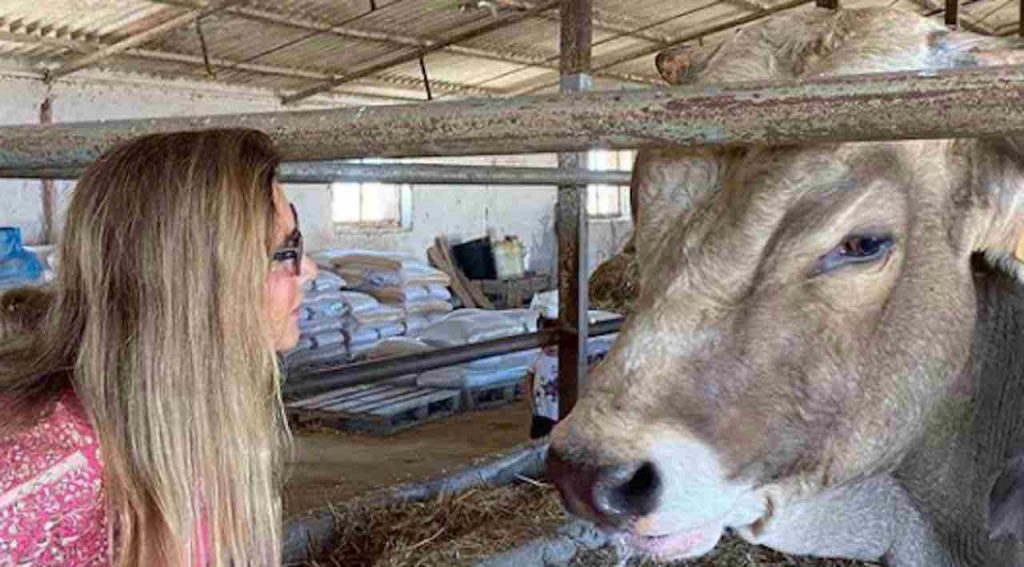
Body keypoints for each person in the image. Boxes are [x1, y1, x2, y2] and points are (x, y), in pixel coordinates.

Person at [0, 129, 316, 566]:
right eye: (285, 252)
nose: (310, 270)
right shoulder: (47, 480)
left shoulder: (192, 421)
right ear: (197, 285)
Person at [526, 317, 560, 439]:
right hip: (541, 413)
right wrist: (532, 405)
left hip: (561, 414)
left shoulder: (567, 359)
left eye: (554, 341)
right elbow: (528, 382)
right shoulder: (536, 358)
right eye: (546, 341)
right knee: (538, 444)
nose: (550, 346)